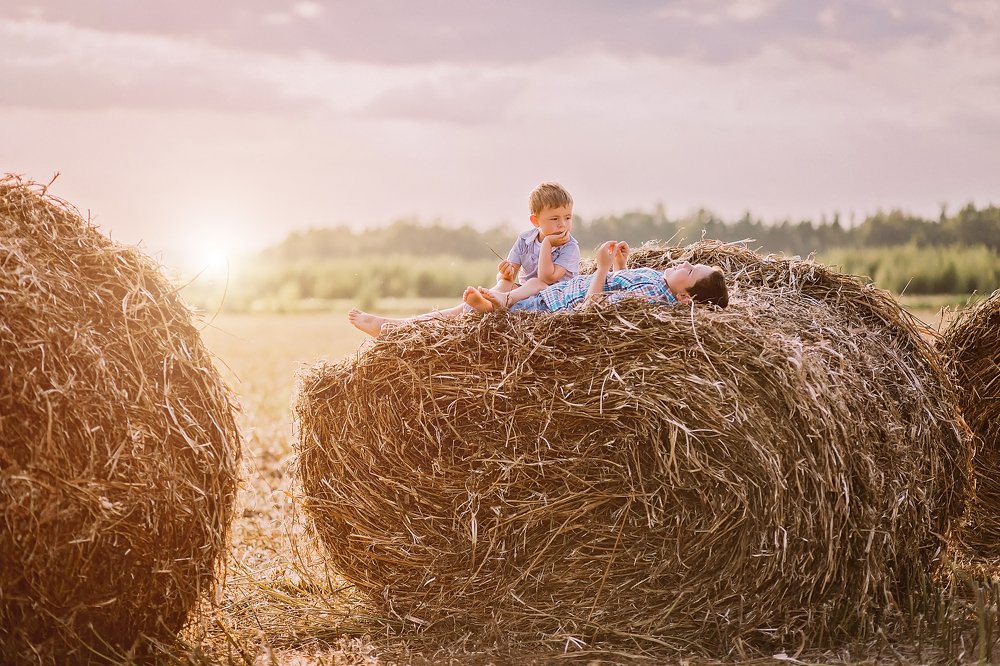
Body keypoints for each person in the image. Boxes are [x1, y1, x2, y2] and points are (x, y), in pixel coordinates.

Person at [348, 181, 581, 336]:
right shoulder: (525, 239)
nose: (563, 224)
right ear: (535, 221)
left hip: (552, 298)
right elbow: (510, 272)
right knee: (476, 300)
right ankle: (398, 327)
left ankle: (499, 301)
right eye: (555, 218)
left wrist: (548, 244)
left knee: (534, 282)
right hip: (519, 293)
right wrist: (507, 272)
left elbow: (547, 278)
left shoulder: (570, 247)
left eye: (567, 217)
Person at [464, 241, 729, 313]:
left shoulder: (655, 299)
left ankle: (494, 305)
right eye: (692, 263)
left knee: (527, 300)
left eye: (691, 271)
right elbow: (621, 286)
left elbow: (594, 308)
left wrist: (602, 268)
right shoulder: (657, 280)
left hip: (557, 304)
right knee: (533, 284)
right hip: (560, 291)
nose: (685, 263)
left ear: (684, 297)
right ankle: (500, 297)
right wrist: (619, 264)